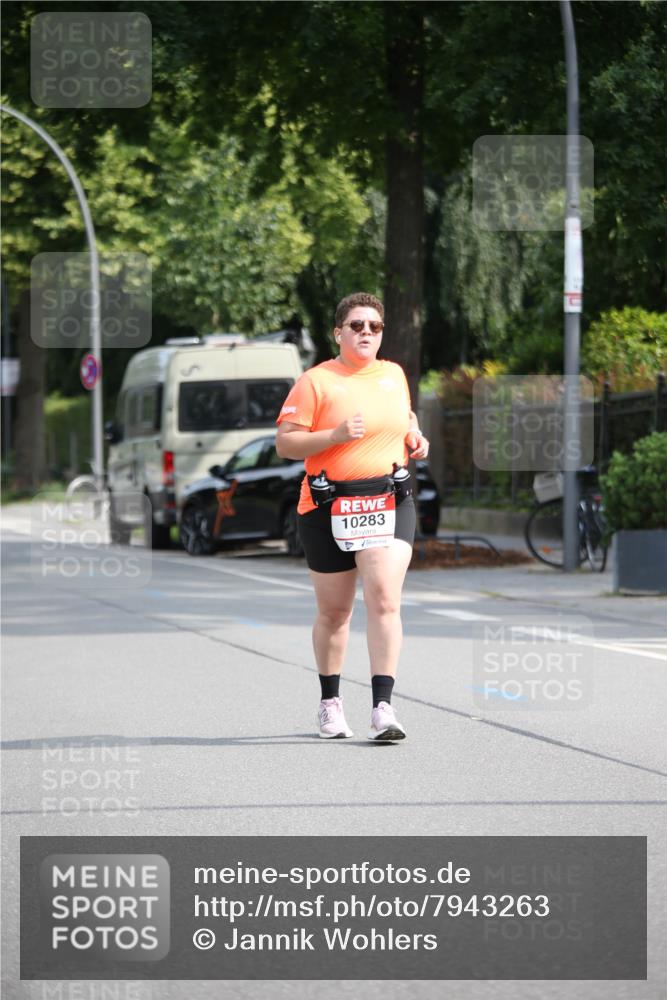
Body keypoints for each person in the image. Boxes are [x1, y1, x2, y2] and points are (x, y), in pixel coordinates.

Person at [275, 292, 429, 742]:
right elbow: (286, 443)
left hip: (387, 500)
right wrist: (335, 435)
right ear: (337, 332)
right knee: (336, 612)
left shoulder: (393, 375)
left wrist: (415, 435)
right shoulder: (315, 382)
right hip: (327, 505)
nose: (366, 333)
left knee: (384, 598)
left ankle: (383, 707)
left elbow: (405, 415)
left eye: (374, 327)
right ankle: (330, 704)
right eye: (357, 326)